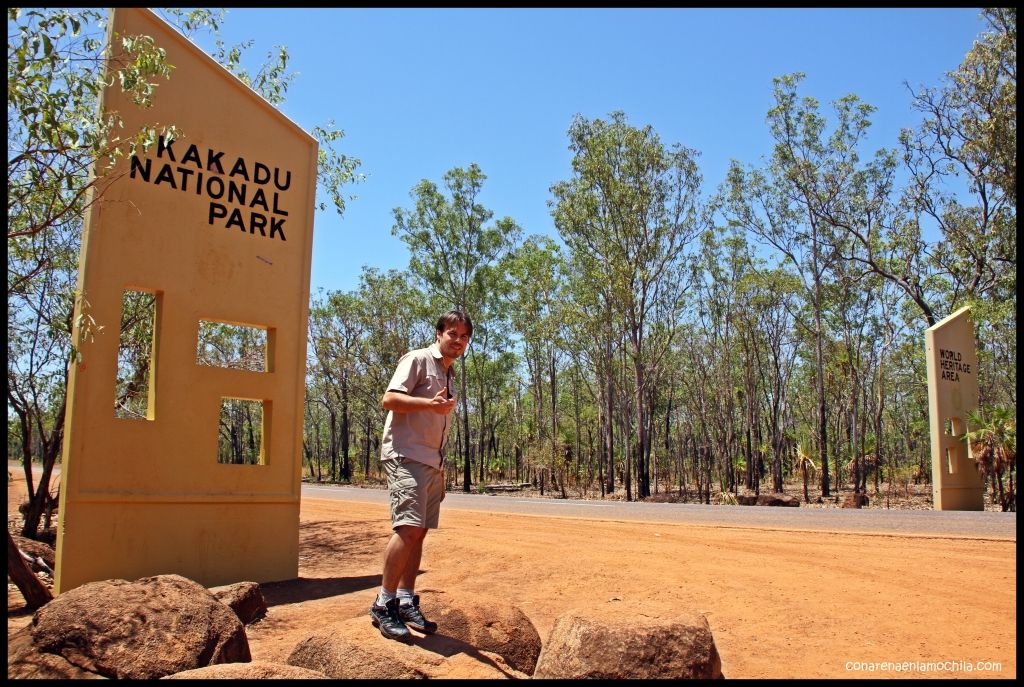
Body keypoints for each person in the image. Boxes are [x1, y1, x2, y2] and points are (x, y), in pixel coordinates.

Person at [368, 309, 472, 642]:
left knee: (419, 532)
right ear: (439, 333)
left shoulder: (448, 372)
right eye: (452, 334)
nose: (458, 341)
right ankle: (383, 603)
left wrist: (440, 470)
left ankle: (405, 598)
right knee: (408, 529)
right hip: (405, 454)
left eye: (464, 336)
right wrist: (429, 404)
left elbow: (438, 424)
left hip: (430, 461)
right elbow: (389, 399)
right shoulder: (417, 360)